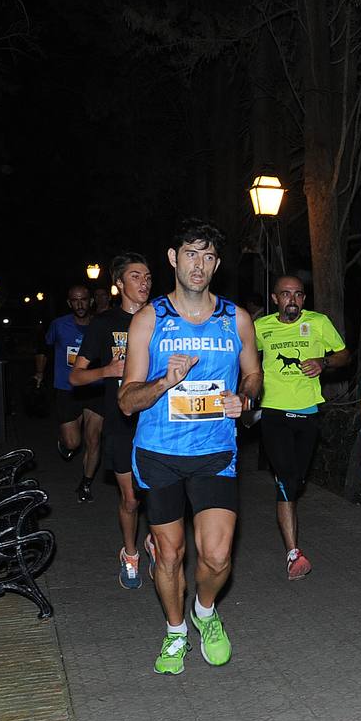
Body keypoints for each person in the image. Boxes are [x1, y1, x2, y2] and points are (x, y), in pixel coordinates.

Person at [119, 219, 262, 676]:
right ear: (172, 258)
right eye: (190, 254)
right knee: (171, 552)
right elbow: (126, 400)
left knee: (218, 556)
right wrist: (166, 381)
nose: (198, 265)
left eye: (207, 256)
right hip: (159, 454)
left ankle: (204, 611)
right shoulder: (150, 319)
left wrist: (247, 399)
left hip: (215, 451)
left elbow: (254, 375)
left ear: (216, 264)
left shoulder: (235, 318)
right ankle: (176, 631)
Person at [253, 275, 350, 579]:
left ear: (303, 300)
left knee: (296, 481)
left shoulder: (318, 322)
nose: (291, 300)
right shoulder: (261, 328)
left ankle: (288, 496)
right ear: (274, 298)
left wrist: (324, 362)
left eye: (297, 295)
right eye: (285, 294)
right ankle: (294, 553)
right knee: (286, 478)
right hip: (274, 412)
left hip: (308, 412)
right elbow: (243, 360)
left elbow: (345, 354)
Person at [72, 253, 154, 589]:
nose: (144, 283)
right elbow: (76, 376)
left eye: (148, 276)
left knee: (159, 495)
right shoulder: (104, 324)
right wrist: (106, 370)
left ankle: (157, 541)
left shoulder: (160, 319)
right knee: (131, 499)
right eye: (135, 277)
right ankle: (131, 552)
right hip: (121, 422)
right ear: (119, 284)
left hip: (156, 421)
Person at [35, 284, 105, 501]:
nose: (80, 304)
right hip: (68, 389)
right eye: (75, 300)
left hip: (95, 389)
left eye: (83, 299)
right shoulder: (59, 325)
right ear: (69, 303)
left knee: (93, 439)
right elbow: (44, 349)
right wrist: (39, 373)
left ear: (90, 301)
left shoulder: (100, 325)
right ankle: (64, 443)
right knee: (74, 443)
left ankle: (85, 483)